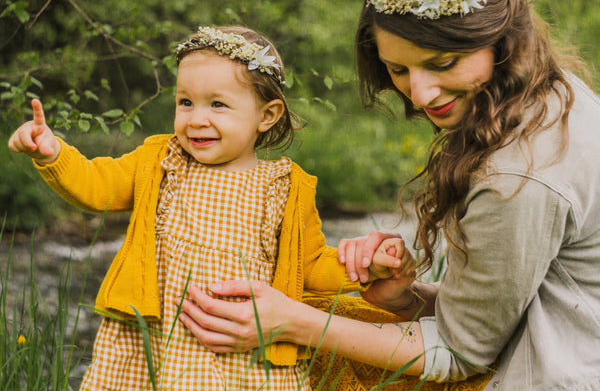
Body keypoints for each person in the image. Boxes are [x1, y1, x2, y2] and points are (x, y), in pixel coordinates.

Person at [177, 0, 600, 391]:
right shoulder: (549, 92)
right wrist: (406, 299)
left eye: (440, 63)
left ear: (495, 37)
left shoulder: (519, 174)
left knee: (299, 310)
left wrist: (291, 323)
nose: (419, 94)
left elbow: (462, 353)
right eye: (399, 69)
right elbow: (503, 308)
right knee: (314, 293)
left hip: (551, 378)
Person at [8, 25, 415, 391]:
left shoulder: (285, 188)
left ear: (266, 115)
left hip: (243, 348)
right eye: (185, 102)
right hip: (153, 340)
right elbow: (97, 187)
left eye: (217, 105)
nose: (196, 119)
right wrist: (53, 154)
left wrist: (366, 268)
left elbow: (308, 265)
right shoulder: (160, 160)